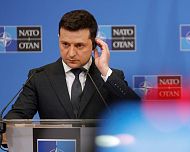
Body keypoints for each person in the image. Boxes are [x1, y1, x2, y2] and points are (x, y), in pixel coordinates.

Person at [4, 9, 140, 119]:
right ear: (59, 39)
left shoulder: (111, 77)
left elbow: (136, 112)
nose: (71, 53)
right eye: (65, 44)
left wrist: (105, 71)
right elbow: (18, 116)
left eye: (79, 45)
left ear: (94, 44)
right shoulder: (39, 77)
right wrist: (5, 130)